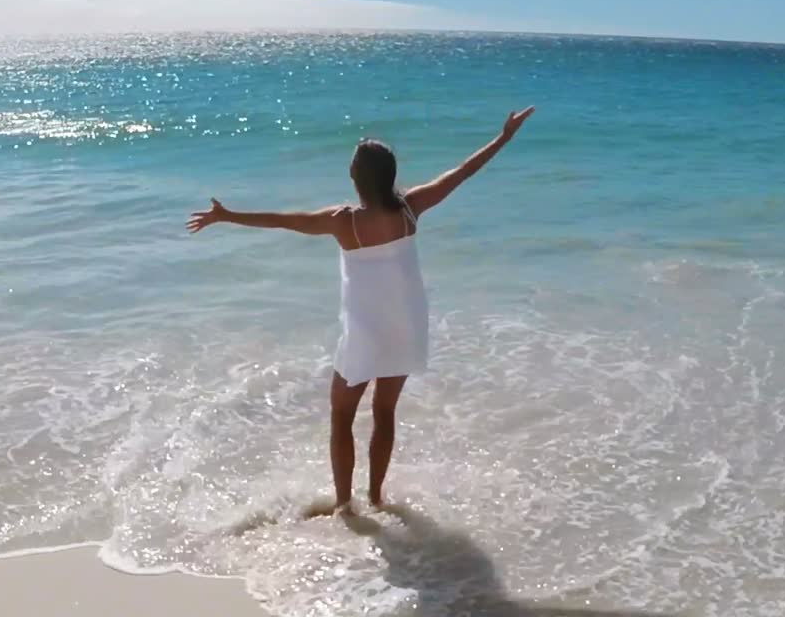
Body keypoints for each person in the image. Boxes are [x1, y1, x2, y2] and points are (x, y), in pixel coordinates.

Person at [187, 106, 536, 512]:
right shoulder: (411, 207)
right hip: (407, 326)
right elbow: (461, 173)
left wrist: (228, 216)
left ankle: (343, 506)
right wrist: (503, 137)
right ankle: (375, 498)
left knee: (341, 415)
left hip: (366, 331)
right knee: (385, 411)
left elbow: (286, 221)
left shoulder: (344, 221)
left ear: (356, 177)